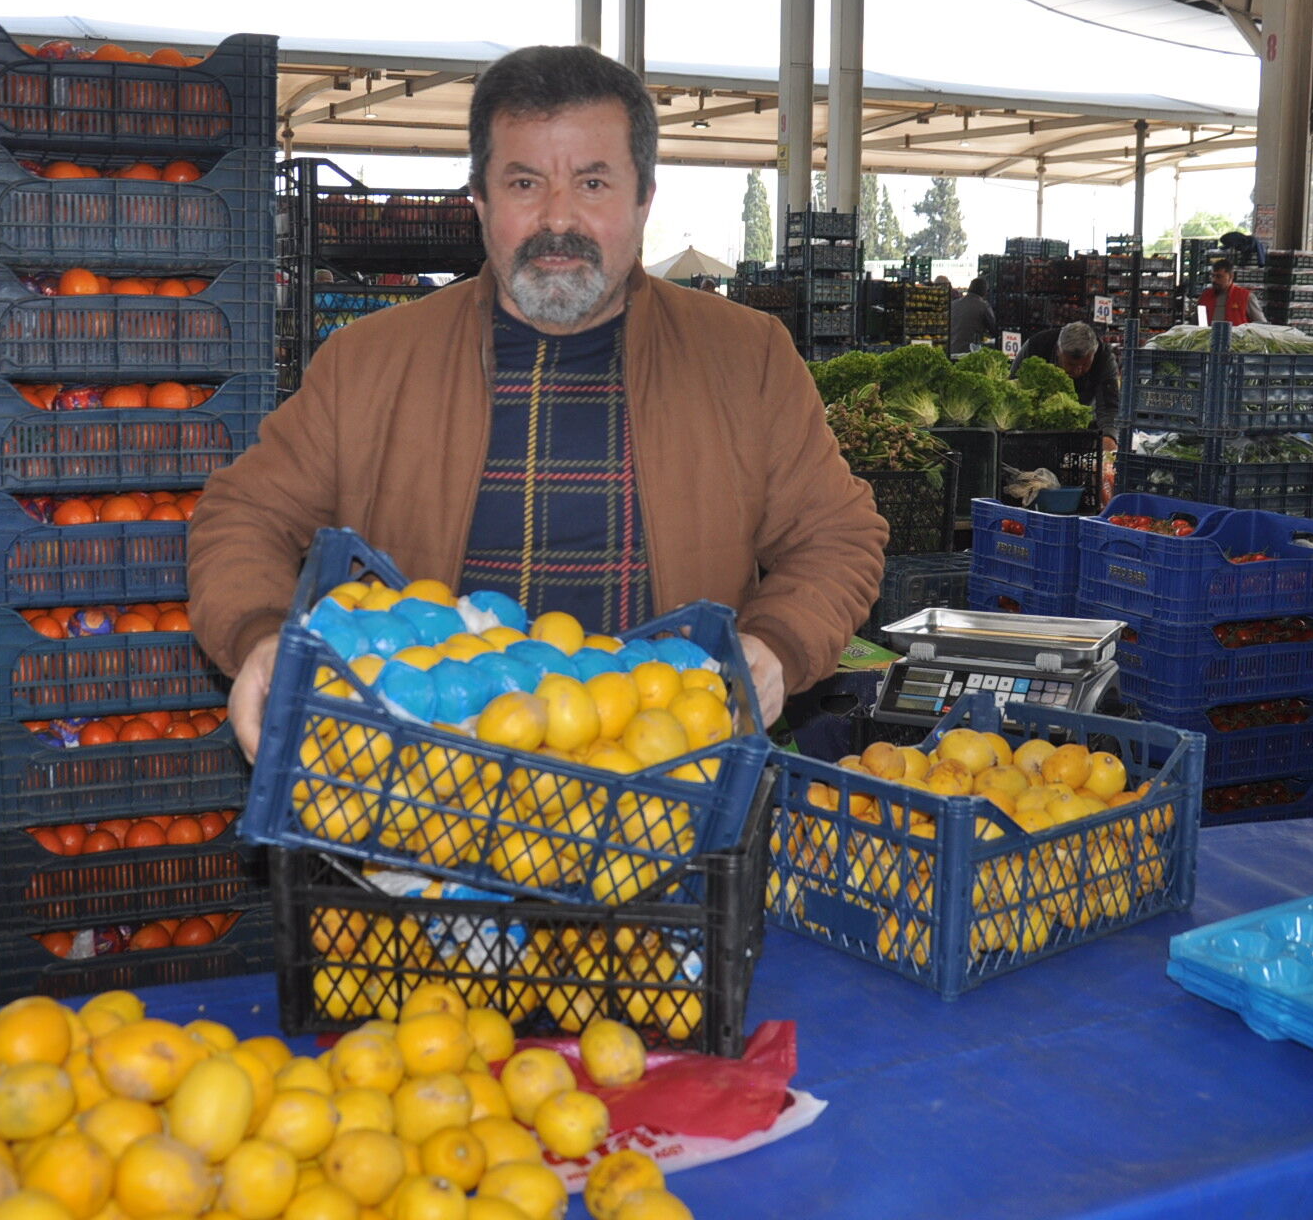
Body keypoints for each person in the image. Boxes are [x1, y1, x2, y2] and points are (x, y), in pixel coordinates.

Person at [187, 44, 887, 758]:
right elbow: (244, 517)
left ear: (643, 198)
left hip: (670, 787)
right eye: (524, 184)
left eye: (592, 183)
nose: (558, 220)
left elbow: (837, 535)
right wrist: (263, 635)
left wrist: (775, 645)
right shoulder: (369, 364)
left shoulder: (745, 359)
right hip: (426, 790)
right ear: (481, 202)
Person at [1014, 321, 1120, 451]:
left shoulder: (1104, 357)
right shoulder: (1036, 346)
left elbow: (1109, 406)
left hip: (1083, 429)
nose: (1077, 371)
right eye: (1071, 364)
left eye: (1085, 364)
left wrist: (1109, 436)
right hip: (1035, 431)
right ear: (1059, 351)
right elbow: (1013, 389)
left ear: (1094, 352)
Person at [1197, 258, 1265, 326]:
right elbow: (1197, 324)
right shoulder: (1205, 296)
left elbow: (1261, 325)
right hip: (1208, 336)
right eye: (1212, 276)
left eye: (1219, 276)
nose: (1214, 280)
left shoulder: (1246, 297)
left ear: (1231, 276)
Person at [949, 278, 996, 355]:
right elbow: (993, 328)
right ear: (984, 291)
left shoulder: (953, 304)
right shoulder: (983, 306)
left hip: (951, 350)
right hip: (969, 353)